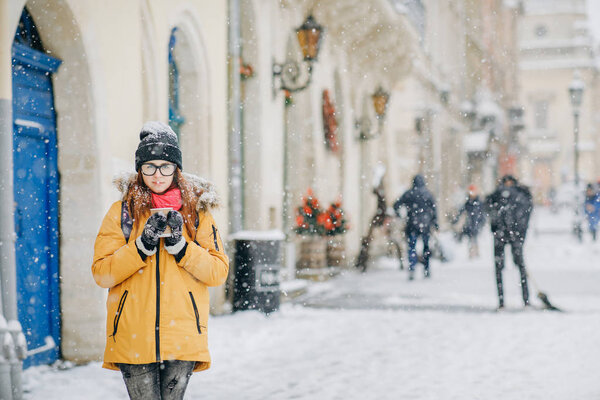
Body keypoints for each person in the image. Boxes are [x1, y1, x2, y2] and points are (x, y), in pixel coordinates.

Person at [91, 122, 229, 399]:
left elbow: (217, 272)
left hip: (183, 334)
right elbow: (102, 273)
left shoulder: (197, 213)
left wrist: (181, 247)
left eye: (165, 166)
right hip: (132, 334)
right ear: (139, 170)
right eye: (149, 166)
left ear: (176, 169)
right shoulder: (122, 213)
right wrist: (142, 246)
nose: (157, 175)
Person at [485, 175, 533, 309]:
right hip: (510, 234)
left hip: (506, 234)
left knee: (508, 267)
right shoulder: (520, 195)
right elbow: (526, 214)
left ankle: (512, 301)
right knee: (517, 266)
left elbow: (490, 209)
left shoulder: (499, 195)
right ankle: (523, 300)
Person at [393, 174, 438, 280]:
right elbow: (434, 210)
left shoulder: (409, 194)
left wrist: (399, 215)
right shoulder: (428, 194)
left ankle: (412, 268)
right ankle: (426, 269)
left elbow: (396, 205)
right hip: (425, 225)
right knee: (426, 247)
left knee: (411, 247)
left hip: (412, 224)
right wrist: (435, 223)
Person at [452, 185, 485, 258]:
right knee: (471, 238)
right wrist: (456, 220)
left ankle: (476, 252)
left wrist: (482, 222)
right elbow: (462, 211)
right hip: (469, 223)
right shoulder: (468, 202)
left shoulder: (479, 202)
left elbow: (482, 213)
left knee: (475, 238)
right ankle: (471, 252)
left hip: (476, 223)